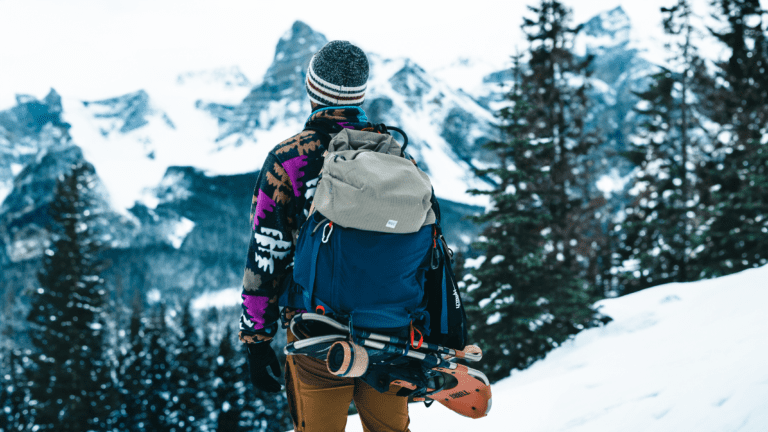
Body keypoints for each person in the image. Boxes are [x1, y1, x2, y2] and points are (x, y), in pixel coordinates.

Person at [239, 40, 412, 432]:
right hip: (393, 331)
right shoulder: (396, 156)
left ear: (311, 88)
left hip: (317, 332)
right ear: (361, 94)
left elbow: (268, 251)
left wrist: (256, 339)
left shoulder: (290, 158)